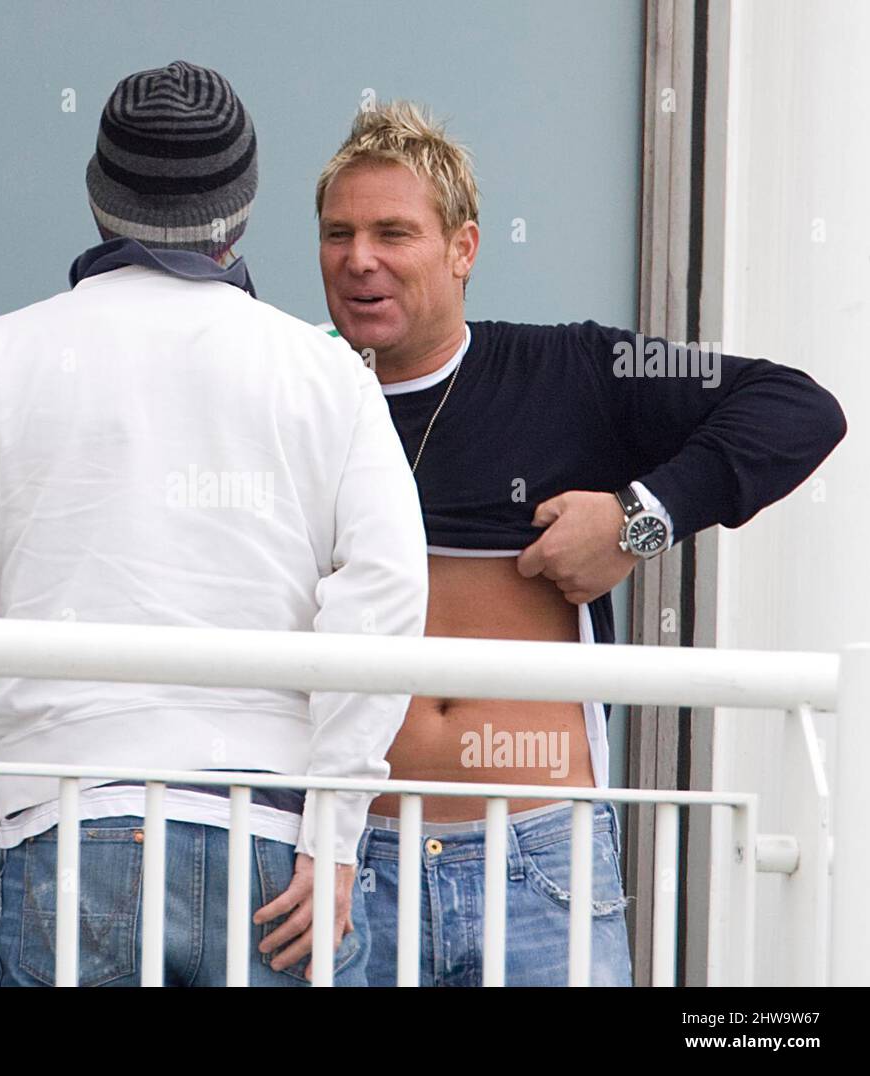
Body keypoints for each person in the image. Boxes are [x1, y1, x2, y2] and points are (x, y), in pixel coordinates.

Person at [0, 61, 427, 987]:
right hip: (265, 838)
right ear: (245, 206)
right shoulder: (326, 372)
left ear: (99, 200)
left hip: (64, 822)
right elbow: (383, 601)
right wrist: (335, 834)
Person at [314, 101, 847, 986]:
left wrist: (639, 518)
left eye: (392, 232)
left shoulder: (571, 372)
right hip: (344, 857)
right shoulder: (297, 386)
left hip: (535, 857)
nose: (359, 258)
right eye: (339, 233)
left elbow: (797, 407)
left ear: (463, 248)